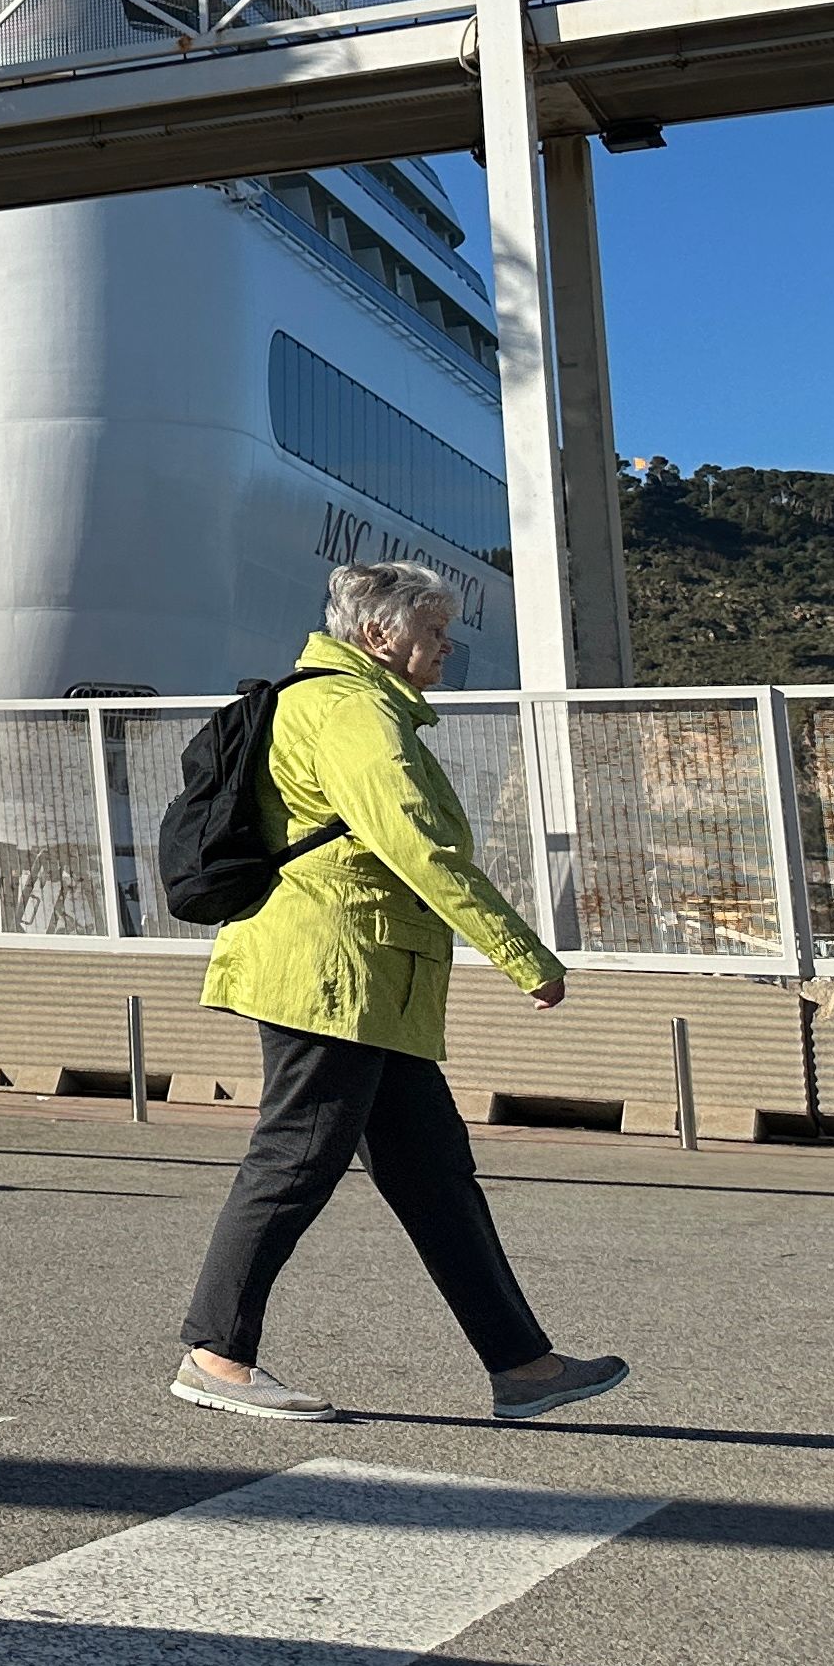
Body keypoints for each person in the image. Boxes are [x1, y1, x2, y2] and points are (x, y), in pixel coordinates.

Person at [174, 557, 628, 1425]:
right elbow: (414, 842)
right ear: (380, 635)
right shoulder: (351, 711)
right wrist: (522, 952)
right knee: (298, 1157)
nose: (447, 647)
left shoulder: (358, 706)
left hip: (374, 977)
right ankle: (215, 1351)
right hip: (331, 971)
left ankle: (523, 1366)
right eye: (435, 631)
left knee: (434, 1176)